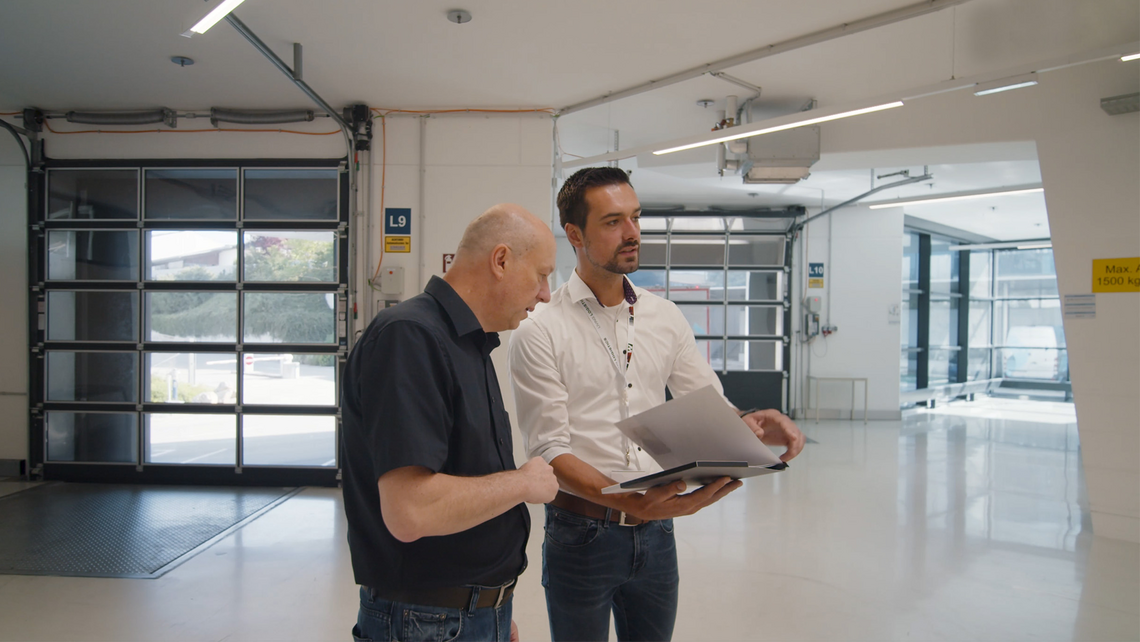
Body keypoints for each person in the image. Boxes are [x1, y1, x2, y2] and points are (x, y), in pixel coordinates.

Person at [508, 167, 806, 642]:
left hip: (657, 532)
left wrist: (747, 424)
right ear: (575, 234)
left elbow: (705, 403)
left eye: (635, 217)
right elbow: (548, 449)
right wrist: (631, 502)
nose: (632, 233)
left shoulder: (664, 317)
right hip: (581, 532)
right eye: (612, 222)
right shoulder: (541, 328)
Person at [342, 203, 561, 642]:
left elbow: (466, 478)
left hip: (465, 614)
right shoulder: (411, 336)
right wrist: (523, 483)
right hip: (427, 621)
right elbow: (411, 510)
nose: (545, 294)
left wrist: (491, 607)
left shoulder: (467, 343)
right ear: (501, 261)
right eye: (541, 275)